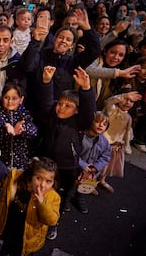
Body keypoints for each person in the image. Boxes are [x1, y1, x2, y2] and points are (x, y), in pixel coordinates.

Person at [38, 65, 96, 239]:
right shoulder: (52, 115)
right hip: (46, 164)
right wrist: (47, 82)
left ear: (77, 110)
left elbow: (88, 112)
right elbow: (47, 101)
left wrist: (86, 89)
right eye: (60, 103)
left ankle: (53, 222)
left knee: (60, 197)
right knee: (41, 190)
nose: (61, 108)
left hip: (67, 168)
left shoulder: (79, 123)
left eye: (68, 106)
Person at [0, 157, 60, 256]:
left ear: (53, 182)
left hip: (27, 238)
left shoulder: (52, 196)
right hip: (9, 228)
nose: (42, 185)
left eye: (48, 181)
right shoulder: (16, 181)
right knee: (6, 246)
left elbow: (51, 220)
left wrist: (42, 204)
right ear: (31, 176)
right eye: (38, 178)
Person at [101, 91, 142, 193]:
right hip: (103, 142)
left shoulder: (128, 118)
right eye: (125, 99)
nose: (127, 103)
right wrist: (123, 96)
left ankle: (102, 180)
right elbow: (109, 102)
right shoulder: (112, 110)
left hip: (115, 143)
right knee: (98, 163)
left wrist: (126, 145)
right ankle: (89, 183)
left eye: (131, 101)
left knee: (109, 163)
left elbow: (127, 132)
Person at [0, 82, 38, 169]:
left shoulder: (24, 113)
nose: (10, 101)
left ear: (21, 99)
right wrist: (6, 127)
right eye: (6, 97)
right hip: (1, 161)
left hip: (21, 162)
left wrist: (21, 129)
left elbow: (34, 132)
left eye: (14, 98)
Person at [86, 38, 140, 110]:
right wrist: (119, 73)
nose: (116, 57)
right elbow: (88, 70)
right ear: (105, 51)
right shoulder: (95, 61)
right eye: (112, 52)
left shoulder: (125, 74)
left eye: (121, 55)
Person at [77, 111, 111, 204]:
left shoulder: (104, 142)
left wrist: (95, 167)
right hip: (77, 167)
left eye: (104, 124)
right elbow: (73, 153)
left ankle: (80, 198)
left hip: (92, 171)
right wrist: (83, 165)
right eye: (97, 121)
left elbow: (105, 157)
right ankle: (67, 200)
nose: (101, 125)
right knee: (70, 185)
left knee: (85, 186)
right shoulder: (81, 136)